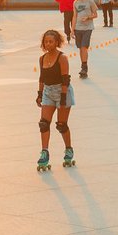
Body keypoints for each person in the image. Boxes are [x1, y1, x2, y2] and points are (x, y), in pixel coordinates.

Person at [35, 29, 75, 171]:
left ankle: (68, 149)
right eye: (46, 41)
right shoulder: (42, 59)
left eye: (51, 41)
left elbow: (65, 79)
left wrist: (63, 98)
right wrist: (39, 94)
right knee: (44, 124)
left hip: (62, 91)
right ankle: (44, 153)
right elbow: (42, 78)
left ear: (57, 42)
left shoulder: (62, 58)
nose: (48, 44)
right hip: (48, 92)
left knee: (61, 124)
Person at [72, 0, 97, 79]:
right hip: (78, 28)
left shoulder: (90, 1)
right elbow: (74, 16)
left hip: (88, 28)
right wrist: (72, 30)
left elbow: (95, 14)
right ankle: (83, 65)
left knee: (84, 47)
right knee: (80, 48)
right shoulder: (75, 2)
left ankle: (84, 68)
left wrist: (88, 17)